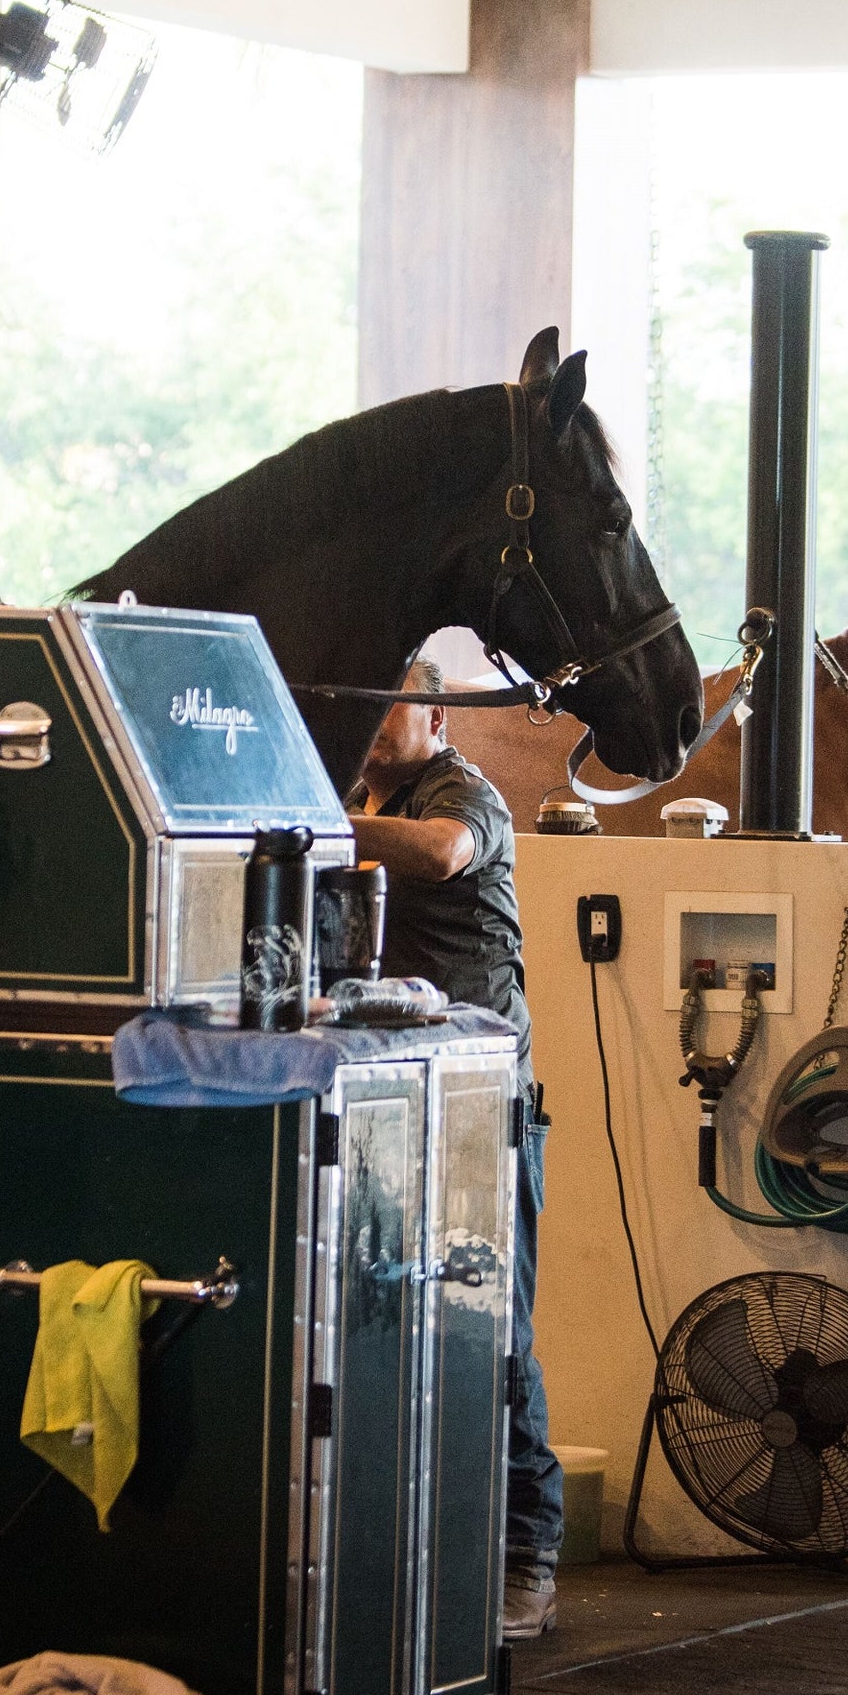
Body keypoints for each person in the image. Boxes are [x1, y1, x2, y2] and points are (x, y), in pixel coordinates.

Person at [346, 664, 563, 1641]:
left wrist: (310, 825)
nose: (375, 720)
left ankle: (528, 1559)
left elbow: (440, 854)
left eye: (392, 700)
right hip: (390, 1103)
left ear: (437, 715)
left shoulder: (463, 793)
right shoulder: (360, 801)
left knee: (492, 1330)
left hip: (484, 1107)